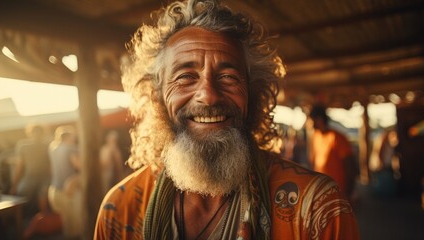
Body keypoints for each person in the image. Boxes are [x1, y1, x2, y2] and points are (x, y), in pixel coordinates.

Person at [94, 0, 360, 239]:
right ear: (157, 97)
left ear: (254, 95)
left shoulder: (317, 210)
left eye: (228, 77)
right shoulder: (120, 210)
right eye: (186, 77)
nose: (208, 96)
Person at [308, 104, 358, 201]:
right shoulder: (316, 136)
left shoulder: (337, 138)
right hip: (322, 192)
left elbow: (351, 167)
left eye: (311, 120)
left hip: (338, 193)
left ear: (319, 119)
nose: (310, 124)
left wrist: (348, 194)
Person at [48, 125, 83, 239]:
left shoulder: (53, 148)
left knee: (66, 225)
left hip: (54, 190)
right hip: (69, 192)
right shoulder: (71, 148)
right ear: (68, 136)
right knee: (75, 230)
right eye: (73, 135)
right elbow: (78, 165)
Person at [10, 124, 51, 215]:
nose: (37, 134)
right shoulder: (23, 146)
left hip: (44, 177)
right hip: (31, 177)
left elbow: (50, 165)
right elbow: (19, 166)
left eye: (38, 132)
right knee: (21, 194)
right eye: (35, 132)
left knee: (42, 195)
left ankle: (43, 217)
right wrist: (15, 185)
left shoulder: (46, 146)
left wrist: (14, 185)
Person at [99, 130, 125, 194]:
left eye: (114, 140)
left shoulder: (116, 150)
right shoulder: (104, 149)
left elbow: (119, 164)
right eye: (112, 139)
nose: (113, 141)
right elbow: (103, 163)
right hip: (105, 175)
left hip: (114, 175)